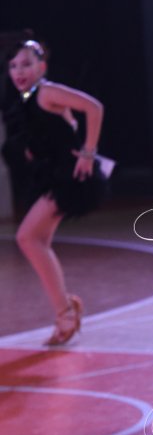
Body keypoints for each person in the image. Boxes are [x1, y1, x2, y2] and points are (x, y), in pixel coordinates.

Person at [6, 36, 105, 345]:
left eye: (26, 64)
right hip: (54, 175)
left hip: (70, 176)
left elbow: (94, 107)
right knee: (37, 242)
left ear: (42, 67)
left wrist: (87, 152)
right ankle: (66, 308)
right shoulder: (29, 98)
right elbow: (67, 123)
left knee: (27, 237)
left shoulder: (47, 91)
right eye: (13, 65)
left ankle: (65, 312)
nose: (19, 71)